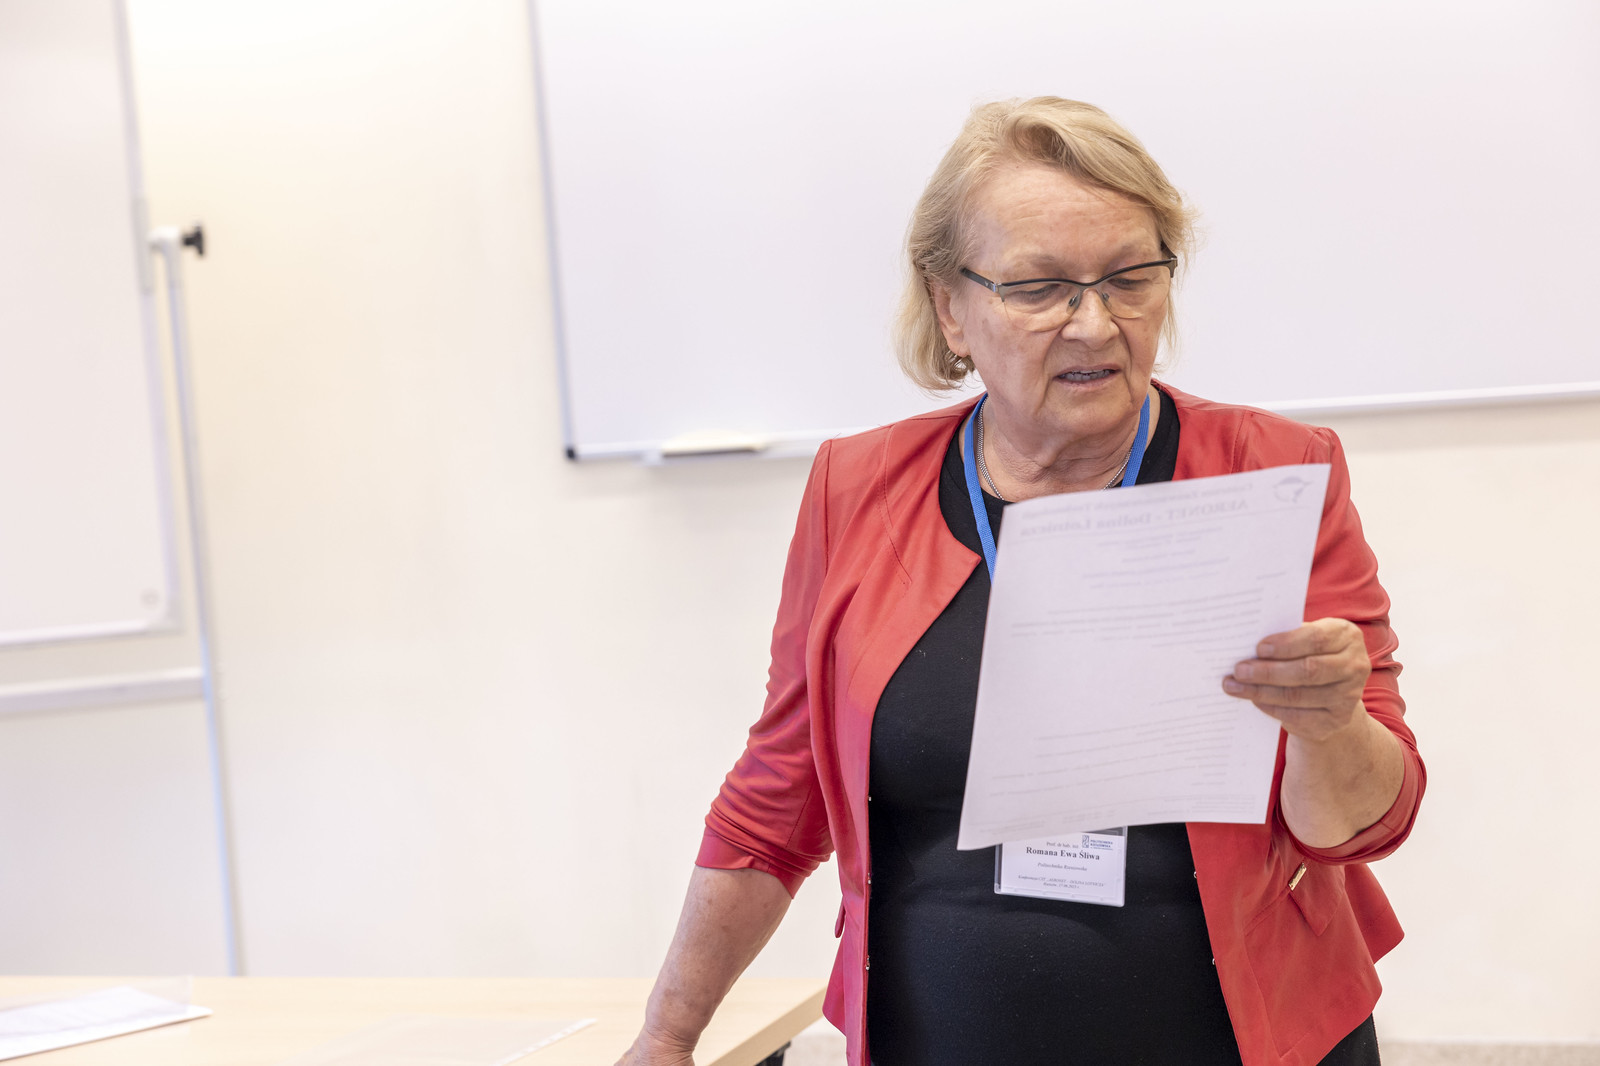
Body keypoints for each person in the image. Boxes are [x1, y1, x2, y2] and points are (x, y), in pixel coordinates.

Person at [618, 97, 1425, 1066]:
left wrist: (1330, 724)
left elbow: (1364, 826)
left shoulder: (1273, 470)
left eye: (1129, 277)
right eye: (1041, 288)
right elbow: (778, 794)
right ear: (949, 308)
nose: (1095, 323)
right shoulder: (855, 487)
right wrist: (667, 1035)